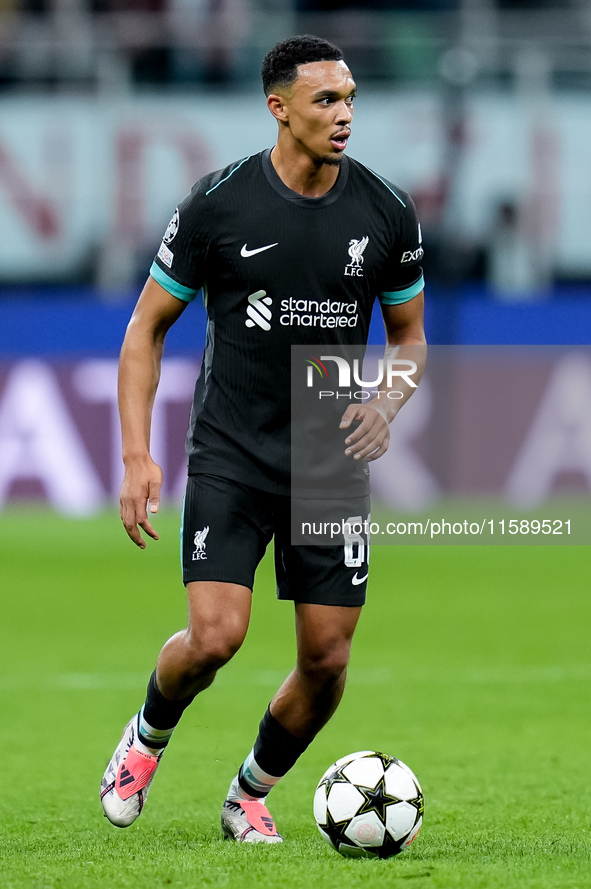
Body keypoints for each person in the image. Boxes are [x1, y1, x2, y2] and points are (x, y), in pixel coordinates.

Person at [100, 33, 426, 844]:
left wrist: (384, 403)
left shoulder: (384, 211)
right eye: (325, 100)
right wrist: (137, 453)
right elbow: (145, 330)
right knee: (215, 637)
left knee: (325, 660)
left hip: (327, 447)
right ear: (278, 107)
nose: (344, 114)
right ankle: (144, 738)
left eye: (350, 98)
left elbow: (410, 339)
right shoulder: (218, 204)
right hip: (233, 444)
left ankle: (248, 792)